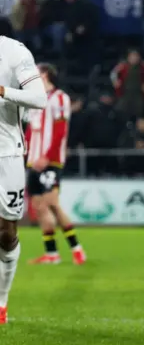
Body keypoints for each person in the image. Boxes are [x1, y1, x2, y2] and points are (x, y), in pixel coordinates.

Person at [0, 36, 47, 324]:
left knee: (6, 233)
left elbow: (39, 99)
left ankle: (2, 301)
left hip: (6, 153)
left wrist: (3, 91)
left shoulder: (14, 51)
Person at [25, 63, 86, 266]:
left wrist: (47, 156)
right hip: (33, 160)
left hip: (50, 160)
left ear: (44, 74)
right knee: (39, 206)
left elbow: (60, 131)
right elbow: (30, 130)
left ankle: (76, 249)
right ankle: (52, 254)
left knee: (52, 202)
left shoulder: (60, 98)